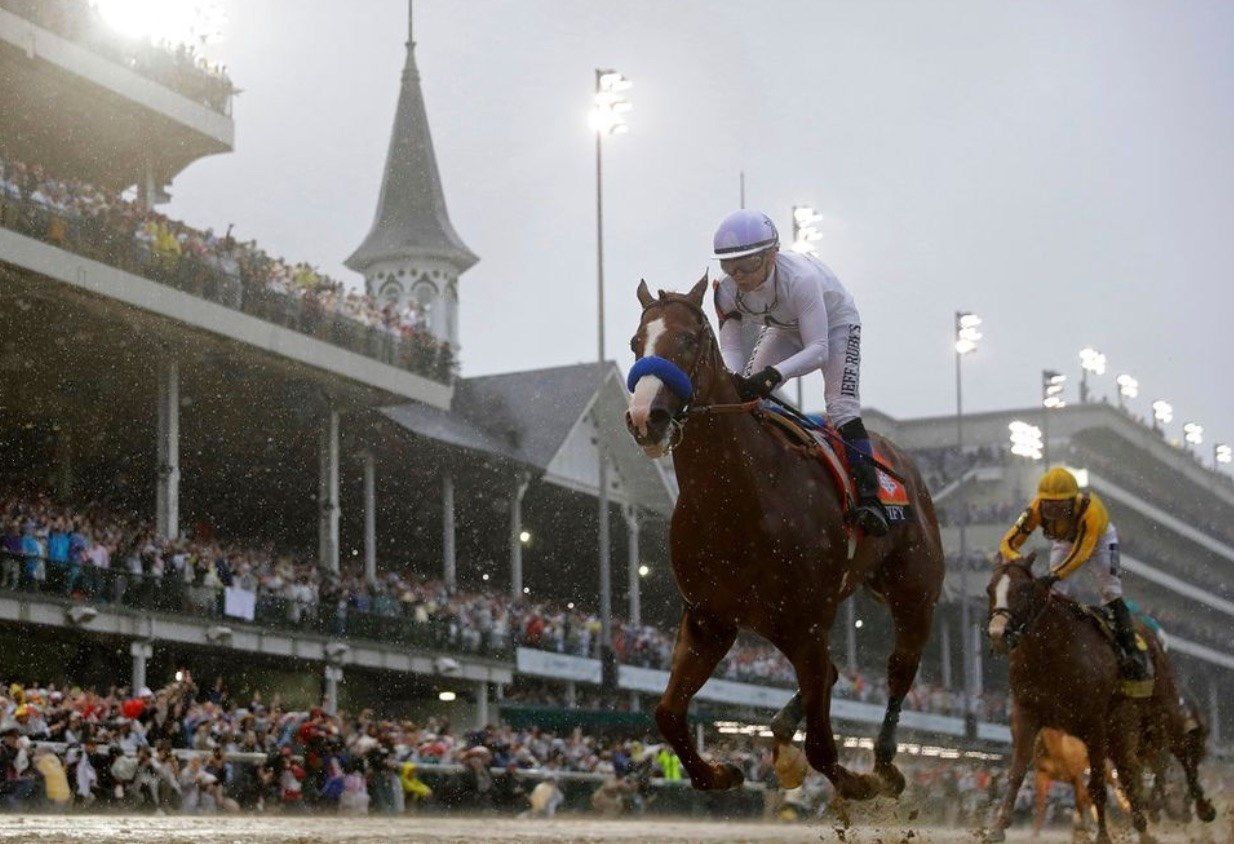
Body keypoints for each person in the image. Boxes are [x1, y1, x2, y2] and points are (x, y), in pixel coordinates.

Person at [711, 209, 888, 536]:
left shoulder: (800, 280)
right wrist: (738, 381)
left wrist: (774, 375)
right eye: (729, 266)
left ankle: (870, 499)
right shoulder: (724, 290)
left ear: (772, 256)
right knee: (747, 399)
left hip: (834, 326)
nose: (739, 276)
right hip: (782, 326)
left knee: (841, 408)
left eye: (747, 265)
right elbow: (732, 348)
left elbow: (818, 350)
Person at [998, 466, 1148, 680]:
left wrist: (1053, 575)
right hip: (1065, 541)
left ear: (1073, 500)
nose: (1054, 512)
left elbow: (1082, 552)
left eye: (1060, 506)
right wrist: (1016, 560)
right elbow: (1008, 542)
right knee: (1055, 595)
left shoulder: (1090, 511)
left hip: (1102, 541)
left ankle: (1132, 653)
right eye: (1049, 506)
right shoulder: (1035, 508)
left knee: (1111, 593)